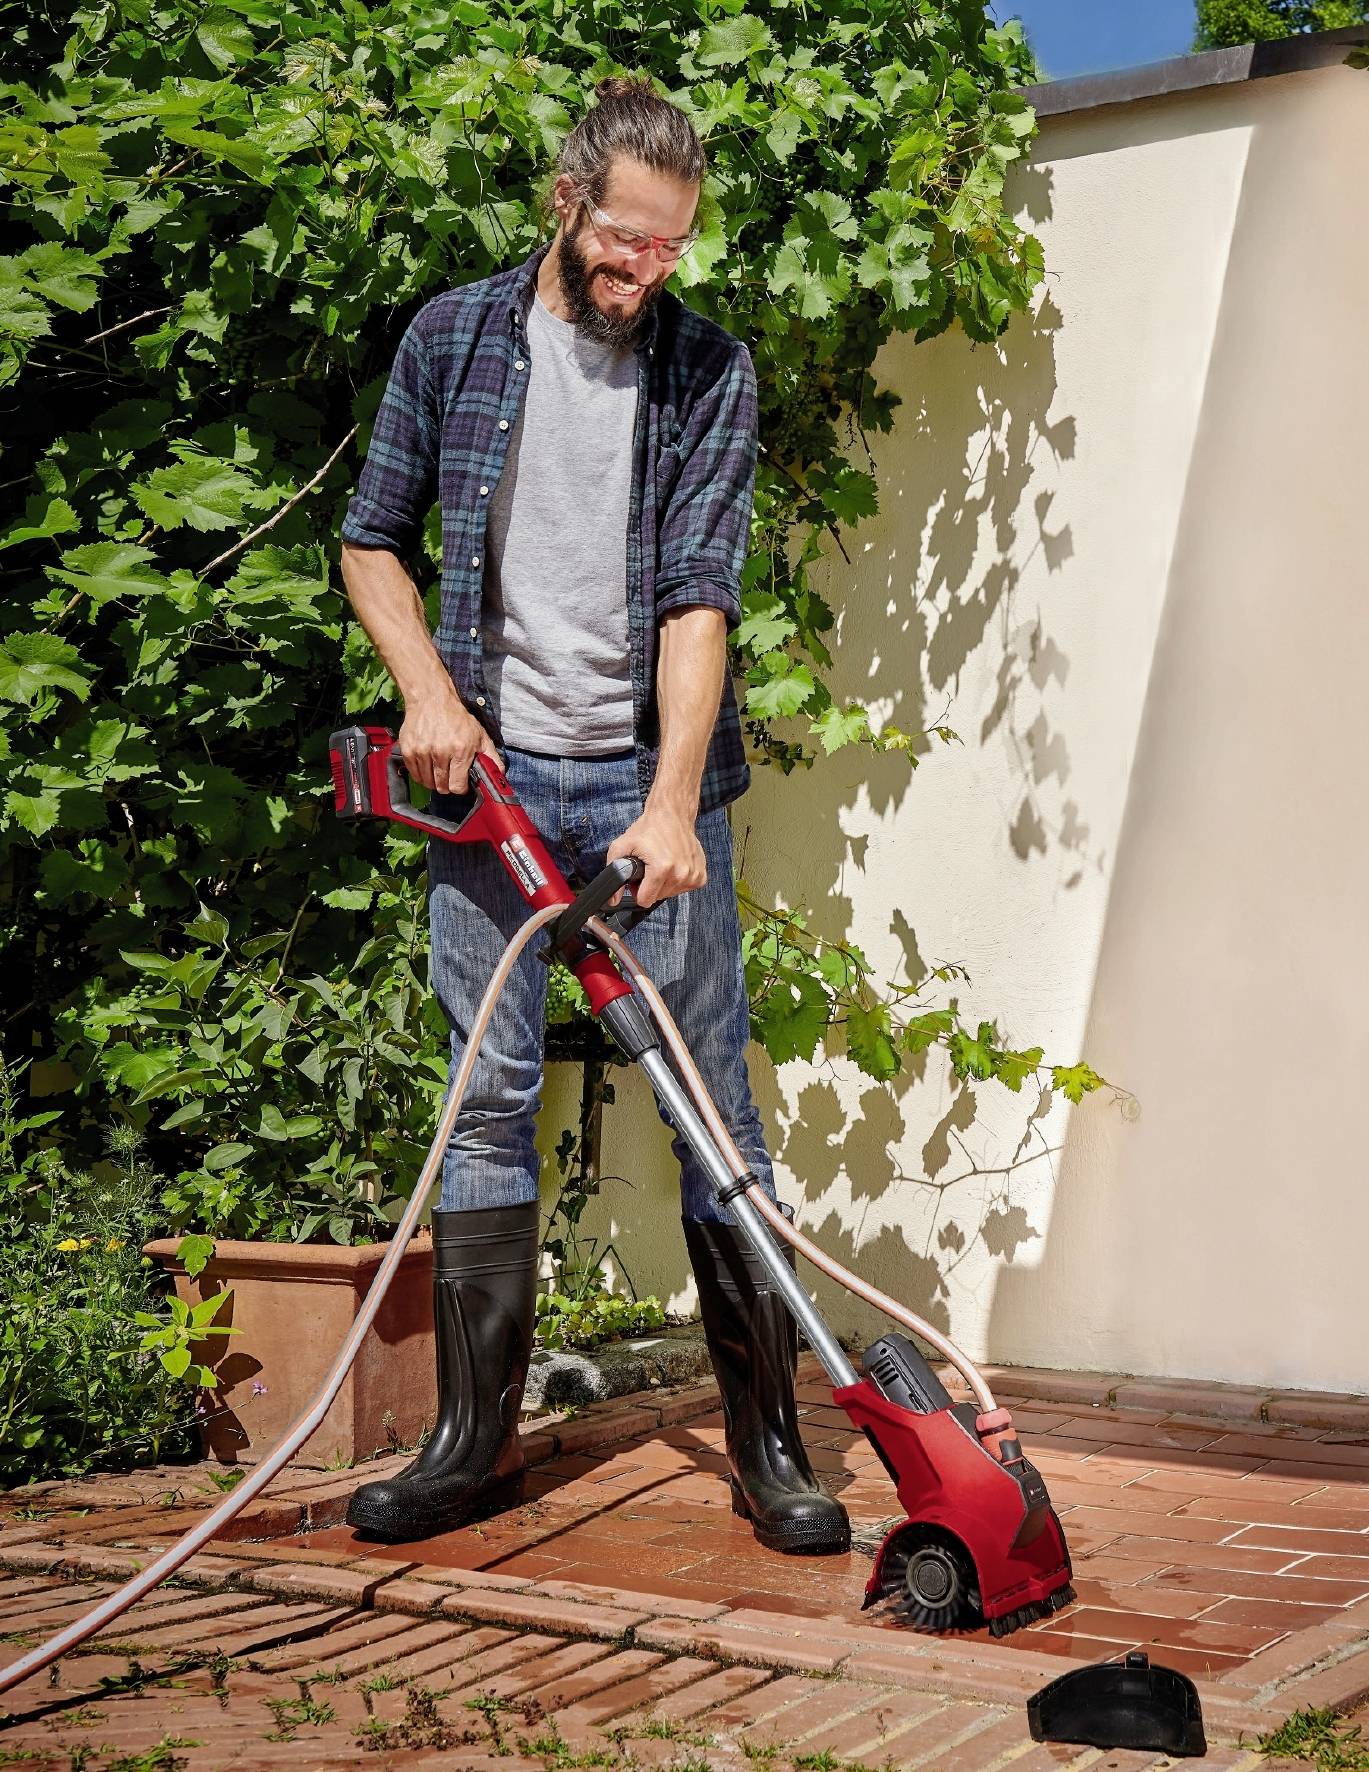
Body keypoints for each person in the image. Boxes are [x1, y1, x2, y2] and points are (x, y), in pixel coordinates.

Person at [338, 77, 848, 1557]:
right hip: (486, 782)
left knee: (710, 1108)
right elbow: (371, 539)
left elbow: (701, 596)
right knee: (486, 1098)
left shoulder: (708, 371)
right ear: (566, 205)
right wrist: (428, 696)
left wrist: (675, 799)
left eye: (670, 250)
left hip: (638, 788)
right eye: (625, 242)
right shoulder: (453, 336)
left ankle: (767, 1448)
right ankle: (468, 1445)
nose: (644, 274)